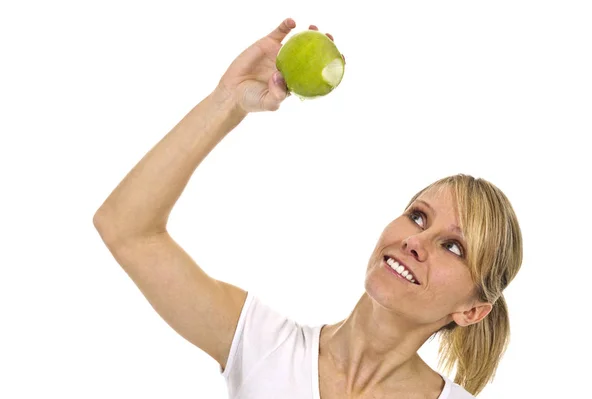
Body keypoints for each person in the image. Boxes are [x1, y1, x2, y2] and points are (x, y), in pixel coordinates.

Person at [93, 18, 523, 398]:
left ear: (471, 311)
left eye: (453, 247)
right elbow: (125, 227)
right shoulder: (264, 347)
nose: (415, 241)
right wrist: (227, 100)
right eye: (417, 216)